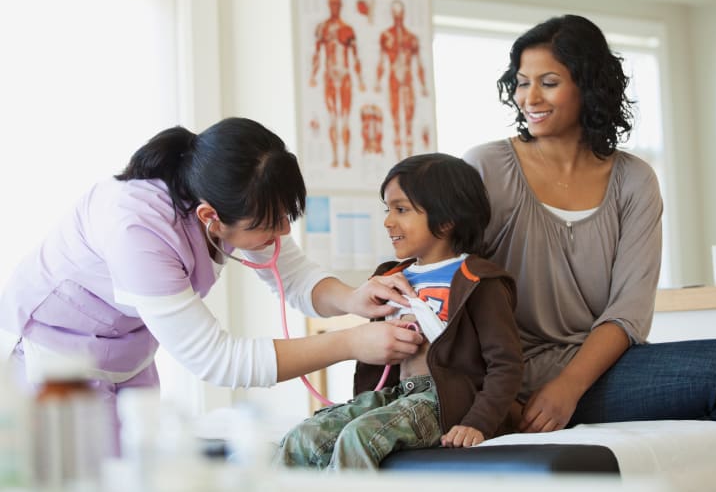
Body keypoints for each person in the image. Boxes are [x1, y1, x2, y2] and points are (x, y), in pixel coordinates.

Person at [462, 14, 716, 433]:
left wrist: (568, 389)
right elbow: (449, 277)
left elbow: (628, 312)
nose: (530, 98)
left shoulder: (634, 180)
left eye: (550, 82)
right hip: (510, 374)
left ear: (588, 86)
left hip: (597, 370)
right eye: (523, 82)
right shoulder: (485, 168)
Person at [0, 117, 423, 413]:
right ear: (210, 217)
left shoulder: (234, 197)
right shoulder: (137, 231)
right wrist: (351, 344)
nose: (278, 235)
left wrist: (353, 299)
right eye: (266, 226)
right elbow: (218, 360)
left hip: (125, 356)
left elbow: (294, 276)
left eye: (284, 220)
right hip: (56, 359)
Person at [276, 153, 522, 470]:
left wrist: (478, 423)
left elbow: (506, 366)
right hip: (397, 395)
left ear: (446, 221)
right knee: (304, 436)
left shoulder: (478, 283)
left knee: (358, 438)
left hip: (443, 404)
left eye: (401, 210)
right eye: (387, 209)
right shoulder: (391, 278)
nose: (388, 221)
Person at [309, 0, 366, 169]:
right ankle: (335, 158)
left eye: (338, 3)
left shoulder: (347, 29)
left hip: (345, 76)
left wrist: (360, 79)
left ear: (341, 5)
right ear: (329, 5)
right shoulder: (323, 28)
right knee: (333, 118)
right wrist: (313, 76)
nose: (335, 6)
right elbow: (317, 54)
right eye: (332, 3)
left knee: (346, 119)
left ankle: (346, 158)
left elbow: (355, 57)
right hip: (330, 77)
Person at [375, 0, 428, 160]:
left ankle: (409, 162)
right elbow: (382, 61)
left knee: (409, 123)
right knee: (397, 123)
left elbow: (419, 63)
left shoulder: (411, 38)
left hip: (407, 81)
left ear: (403, 14)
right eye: (395, 13)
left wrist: (423, 86)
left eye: (400, 13)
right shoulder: (386, 36)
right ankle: (399, 161)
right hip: (393, 81)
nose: (397, 17)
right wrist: (377, 82)